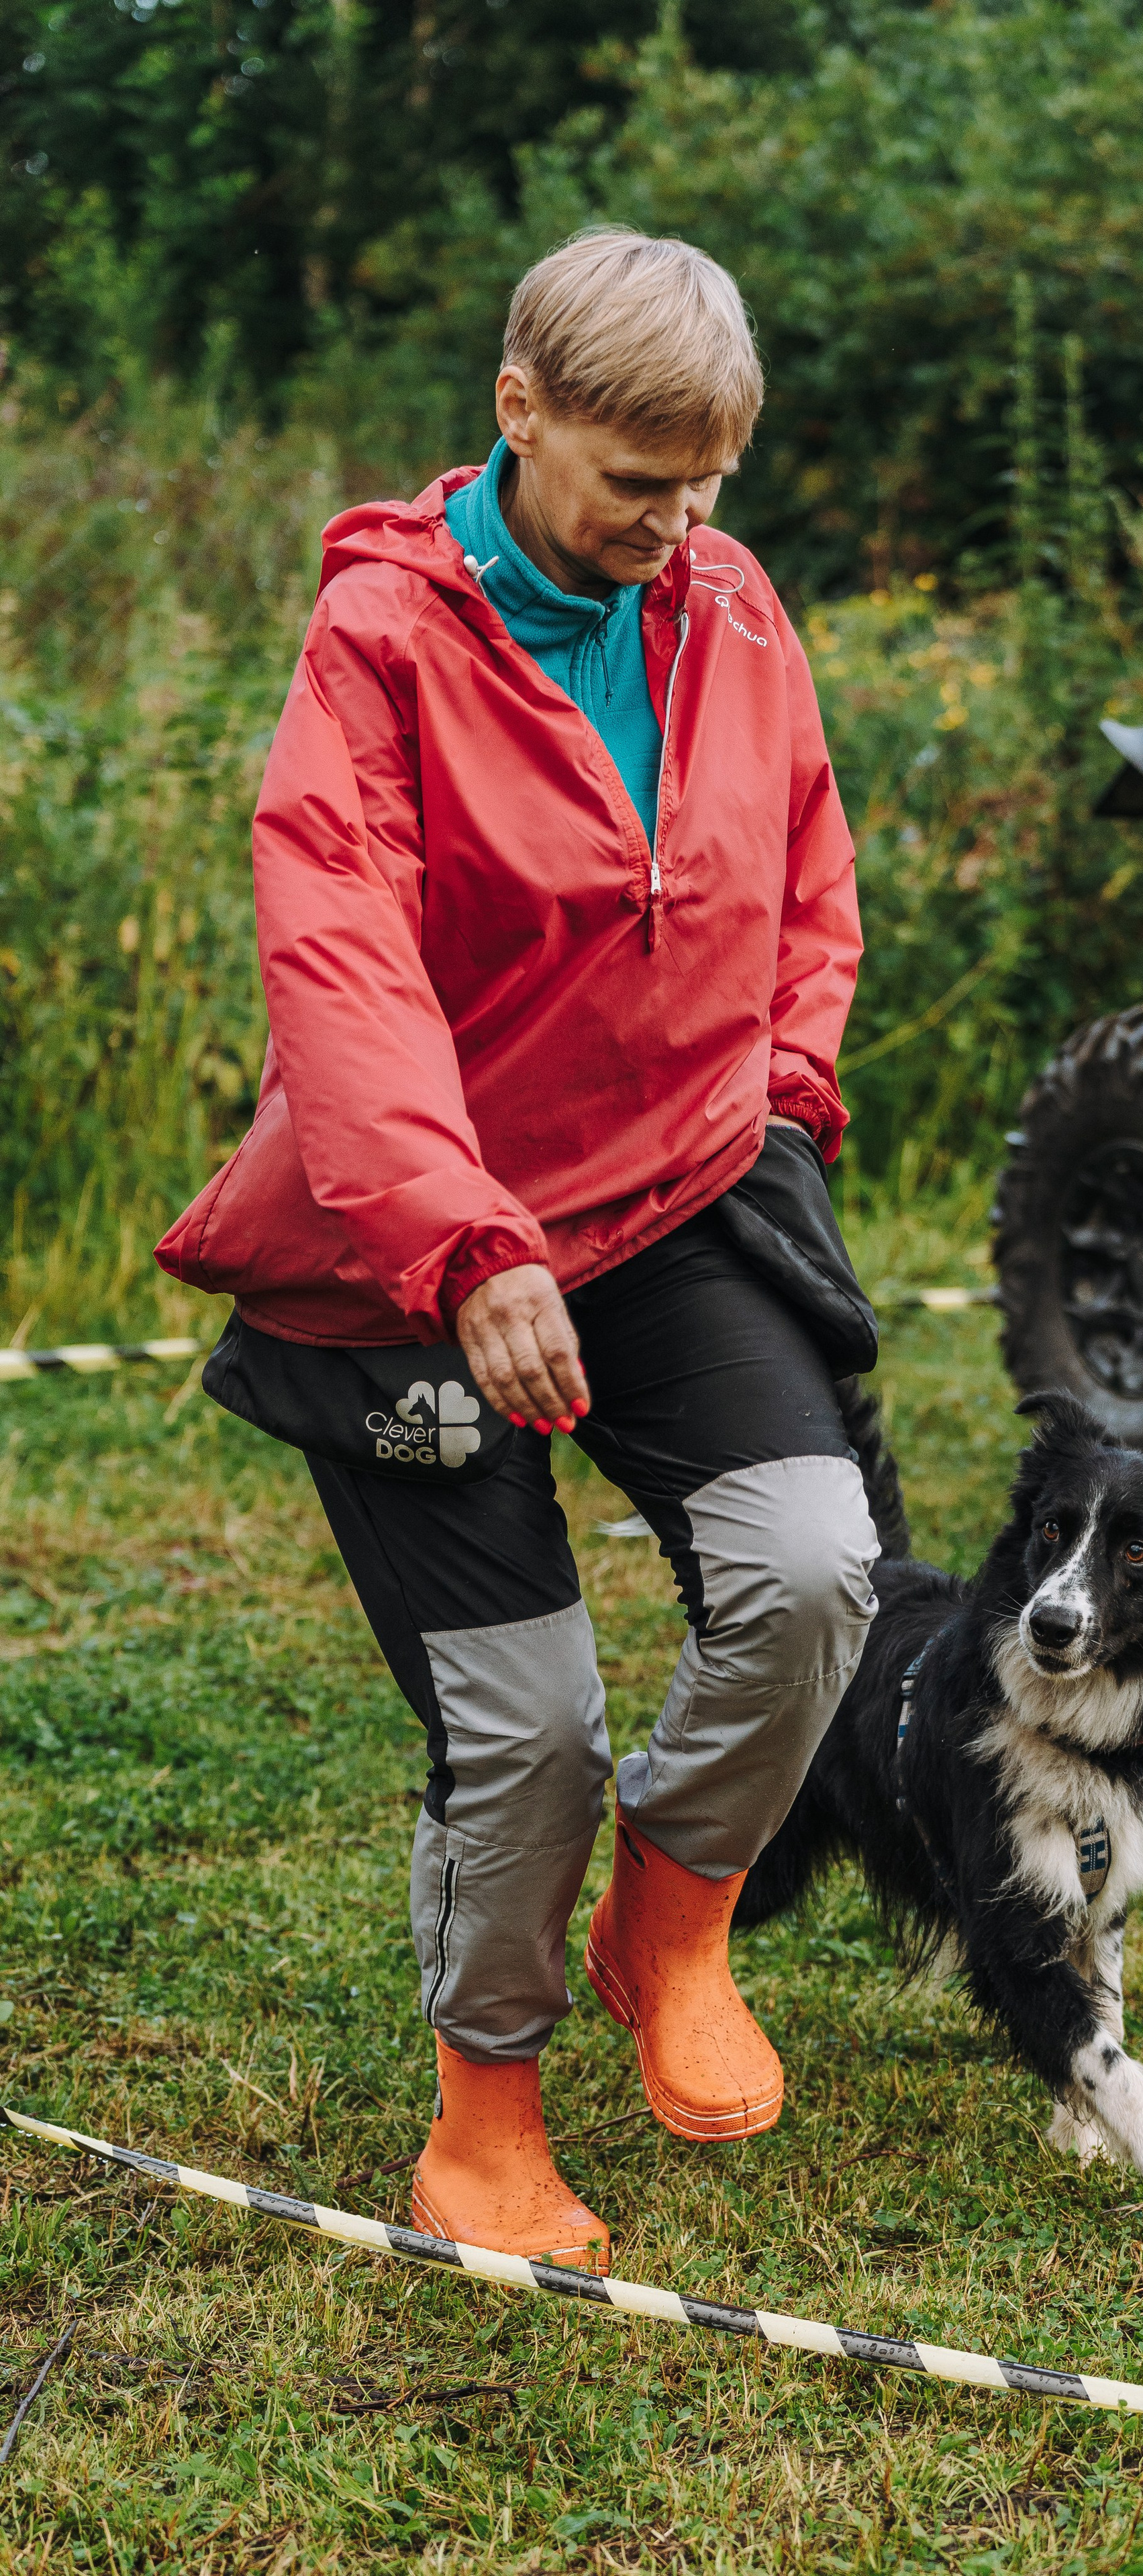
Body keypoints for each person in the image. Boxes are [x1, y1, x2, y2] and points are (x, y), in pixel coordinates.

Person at [157, 228, 880, 2277]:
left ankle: (678, 1913)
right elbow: (341, 959)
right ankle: (486, 2115)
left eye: (709, 482)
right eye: (635, 481)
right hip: (415, 1245)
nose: (676, 527)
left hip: (675, 1203)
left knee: (814, 1570)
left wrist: (792, 1096)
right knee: (529, 1725)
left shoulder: (728, 604)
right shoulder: (379, 643)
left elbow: (805, 870)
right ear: (519, 407)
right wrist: (464, 1240)